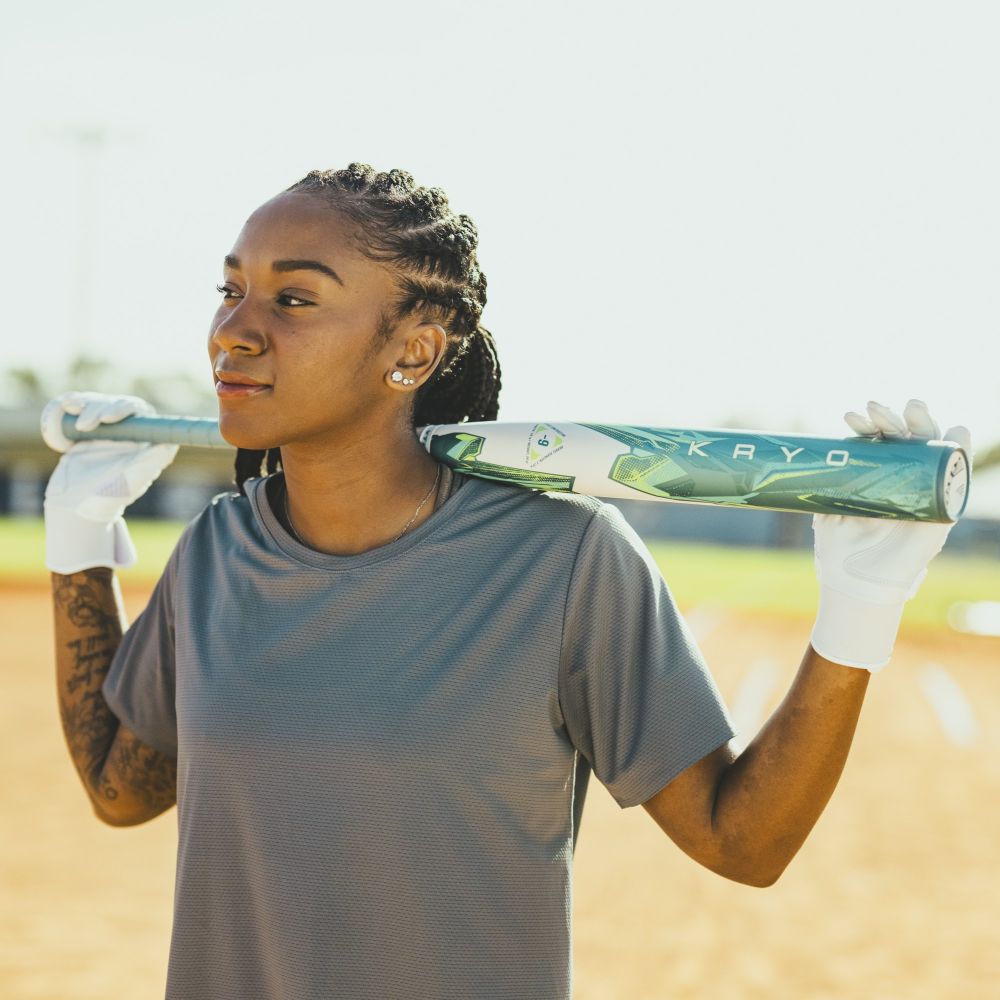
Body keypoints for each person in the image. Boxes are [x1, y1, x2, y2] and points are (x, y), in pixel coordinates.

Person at [45, 164, 971, 1000]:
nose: (234, 332)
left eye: (292, 299)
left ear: (412, 351)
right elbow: (122, 788)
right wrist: (79, 544)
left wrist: (857, 611)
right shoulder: (217, 550)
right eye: (231, 289)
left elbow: (744, 843)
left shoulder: (564, 562)